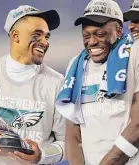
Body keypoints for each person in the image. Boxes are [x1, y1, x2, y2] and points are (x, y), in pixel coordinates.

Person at [0, 5, 65, 165]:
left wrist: (42, 154)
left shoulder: (56, 83)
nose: (44, 42)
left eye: (47, 37)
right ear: (15, 36)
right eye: (37, 35)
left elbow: (69, 143)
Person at [55, 0, 139, 164]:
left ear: (118, 31)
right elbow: (73, 134)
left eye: (100, 34)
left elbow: (137, 125)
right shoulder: (76, 64)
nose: (92, 42)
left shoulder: (134, 55)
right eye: (86, 36)